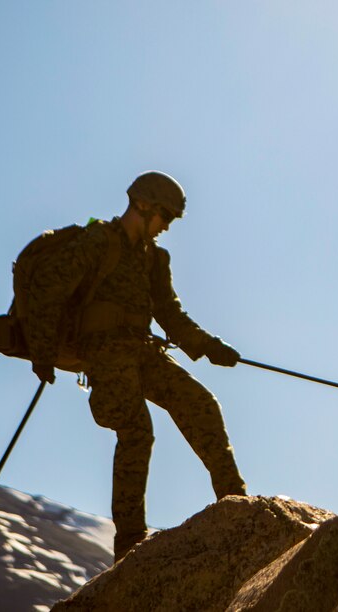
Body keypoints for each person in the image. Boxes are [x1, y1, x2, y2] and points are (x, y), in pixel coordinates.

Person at [26, 171, 248, 560]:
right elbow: (50, 290)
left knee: (199, 403)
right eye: (165, 217)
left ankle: (237, 502)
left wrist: (210, 346)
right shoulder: (98, 242)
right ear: (143, 206)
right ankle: (130, 542)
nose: (166, 227)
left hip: (142, 352)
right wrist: (43, 352)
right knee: (136, 431)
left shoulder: (154, 259)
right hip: (104, 353)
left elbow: (170, 314)